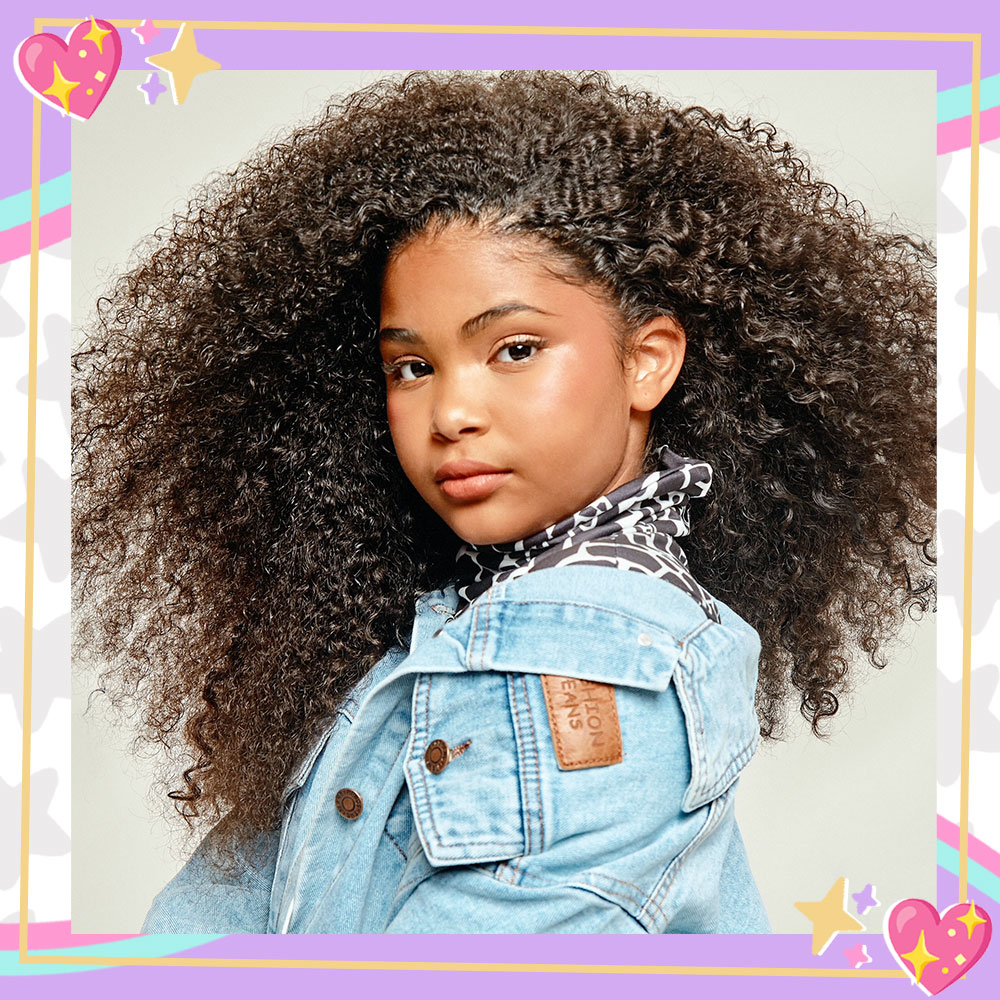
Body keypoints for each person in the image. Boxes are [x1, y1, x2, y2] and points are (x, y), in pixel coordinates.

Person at [71, 70, 936, 934]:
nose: (450, 413)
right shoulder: (440, 625)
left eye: (515, 349)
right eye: (411, 367)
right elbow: (216, 911)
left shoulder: (608, 662)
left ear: (648, 361)